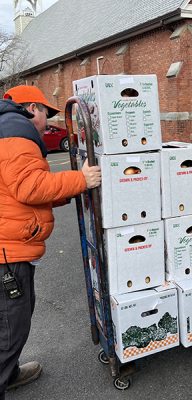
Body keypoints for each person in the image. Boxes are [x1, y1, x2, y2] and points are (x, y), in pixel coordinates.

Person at [0, 85, 101, 399]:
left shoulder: (8, 130)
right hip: (8, 251)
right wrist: (81, 180)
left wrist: (66, 190)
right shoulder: (16, 134)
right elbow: (30, 187)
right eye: (46, 113)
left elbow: (20, 192)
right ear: (31, 108)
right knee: (11, 327)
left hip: (11, 243)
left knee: (11, 321)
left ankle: (9, 372)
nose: (48, 122)